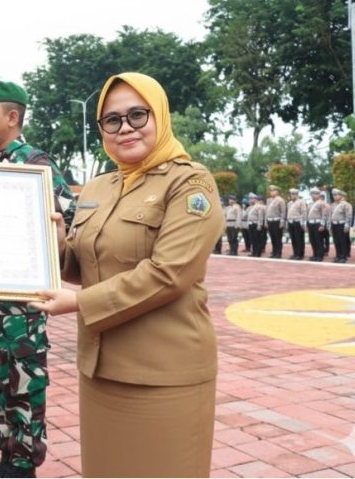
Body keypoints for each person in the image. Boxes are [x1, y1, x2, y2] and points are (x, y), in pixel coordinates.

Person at [32, 72, 221, 477]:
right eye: (112, 120)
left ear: (160, 116)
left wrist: (79, 303)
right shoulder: (98, 187)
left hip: (163, 371)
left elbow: (170, 273)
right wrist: (58, 242)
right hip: (101, 368)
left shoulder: (189, 182)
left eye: (138, 114)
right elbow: (85, 267)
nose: (125, 128)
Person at [0, 80, 74, 477]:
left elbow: (70, 218)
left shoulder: (36, 165)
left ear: (12, 117)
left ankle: (24, 462)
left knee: (23, 385)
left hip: (21, 307)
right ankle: (7, 453)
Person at [329, 189, 353, 263]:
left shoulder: (346, 204)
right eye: (334, 195)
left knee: (342, 241)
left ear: (340, 195)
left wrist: (347, 225)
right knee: (336, 241)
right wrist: (330, 225)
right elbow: (330, 215)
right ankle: (338, 255)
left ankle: (343, 256)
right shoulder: (332, 205)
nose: (335, 197)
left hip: (341, 224)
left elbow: (348, 216)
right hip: (334, 224)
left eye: (336, 195)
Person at [307, 187, 329, 262]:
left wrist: (322, 225)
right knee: (312, 240)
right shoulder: (310, 204)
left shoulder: (321, 203)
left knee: (318, 240)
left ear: (319, 195)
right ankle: (315, 254)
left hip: (317, 223)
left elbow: (324, 215)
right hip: (311, 223)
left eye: (315, 194)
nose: (313, 195)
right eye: (312, 194)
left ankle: (320, 255)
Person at [286, 188, 308, 260]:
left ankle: (300, 254)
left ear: (297, 194)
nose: (292, 196)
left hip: (298, 222)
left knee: (299, 239)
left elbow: (304, 213)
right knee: (293, 239)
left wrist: (303, 223)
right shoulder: (289, 203)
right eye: (291, 194)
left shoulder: (301, 202)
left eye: (293, 194)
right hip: (291, 222)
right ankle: (295, 253)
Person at [265, 184, 286, 258]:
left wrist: (282, 222)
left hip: (277, 221)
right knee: (272, 238)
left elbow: (283, 212)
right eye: (270, 191)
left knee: (277, 238)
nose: (271, 192)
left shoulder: (280, 200)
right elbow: (267, 212)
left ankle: (278, 253)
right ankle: (274, 252)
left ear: (277, 192)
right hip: (270, 221)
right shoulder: (269, 200)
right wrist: (266, 221)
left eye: (273, 190)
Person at [246, 193, 266, 257]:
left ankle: (258, 252)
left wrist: (259, 225)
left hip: (256, 224)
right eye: (250, 199)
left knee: (257, 239)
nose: (250, 200)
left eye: (251, 199)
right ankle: (254, 252)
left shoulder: (259, 206)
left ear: (255, 199)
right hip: (251, 224)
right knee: (252, 239)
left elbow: (260, 217)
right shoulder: (251, 207)